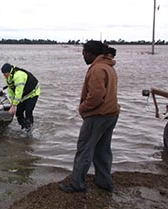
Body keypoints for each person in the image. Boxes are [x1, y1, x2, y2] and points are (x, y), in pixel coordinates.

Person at [59, 41, 120, 193]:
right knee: (102, 150)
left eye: (84, 52)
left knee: (84, 148)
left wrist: (83, 108)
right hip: (111, 113)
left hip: (98, 115)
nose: (83, 55)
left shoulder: (97, 69)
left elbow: (96, 96)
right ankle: (104, 181)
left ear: (91, 53)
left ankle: (77, 184)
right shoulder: (108, 66)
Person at [1, 63, 40, 132]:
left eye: (5, 74)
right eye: (3, 74)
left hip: (33, 93)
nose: (4, 75)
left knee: (28, 111)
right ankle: (24, 128)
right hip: (23, 96)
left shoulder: (18, 76)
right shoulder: (8, 78)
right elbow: (11, 92)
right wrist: (12, 103)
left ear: (9, 72)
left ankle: (30, 130)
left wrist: (14, 106)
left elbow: (19, 92)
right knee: (18, 113)